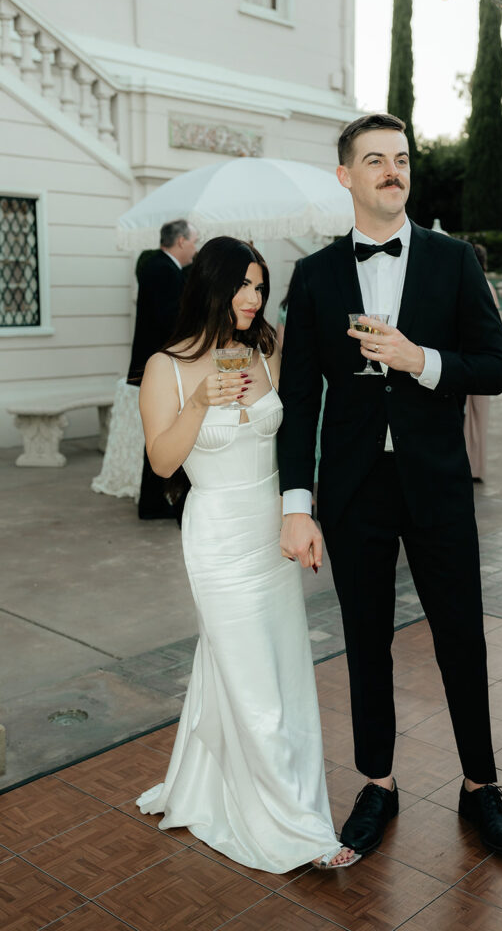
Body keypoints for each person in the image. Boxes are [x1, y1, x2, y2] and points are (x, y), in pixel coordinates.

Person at [277, 112, 502, 858]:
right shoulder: (316, 275)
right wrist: (297, 505)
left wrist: (423, 361)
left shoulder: (453, 261)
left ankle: (481, 786)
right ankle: (377, 784)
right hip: (355, 491)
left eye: (403, 158)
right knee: (365, 642)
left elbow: (495, 366)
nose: (393, 170)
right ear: (346, 176)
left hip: (438, 483)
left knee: (461, 637)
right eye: (375, 159)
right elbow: (300, 401)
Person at [136, 237, 356, 873]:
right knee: (253, 681)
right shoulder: (165, 368)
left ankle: (205, 784)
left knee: (281, 671)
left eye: (261, 286)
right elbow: (162, 462)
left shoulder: (268, 349)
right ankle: (298, 830)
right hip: (217, 534)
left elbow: (296, 428)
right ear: (212, 284)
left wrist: (302, 509)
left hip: (272, 529)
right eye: (243, 285)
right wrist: (202, 399)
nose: (254, 298)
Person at [127, 219, 199, 519]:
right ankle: (155, 502)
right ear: (181, 241)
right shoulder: (161, 269)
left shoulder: (162, 267)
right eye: (194, 241)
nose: (195, 248)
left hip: (158, 362)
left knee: (160, 435)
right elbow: (170, 319)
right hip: (158, 365)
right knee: (162, 435)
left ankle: (154, 502)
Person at [463, 244, 500, 480]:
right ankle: (475, 466)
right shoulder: (487, 286)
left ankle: (469, 465)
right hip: (477, 357)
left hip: (469, 358)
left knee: (467, 415)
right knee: (478, 415)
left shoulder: (467, 283)